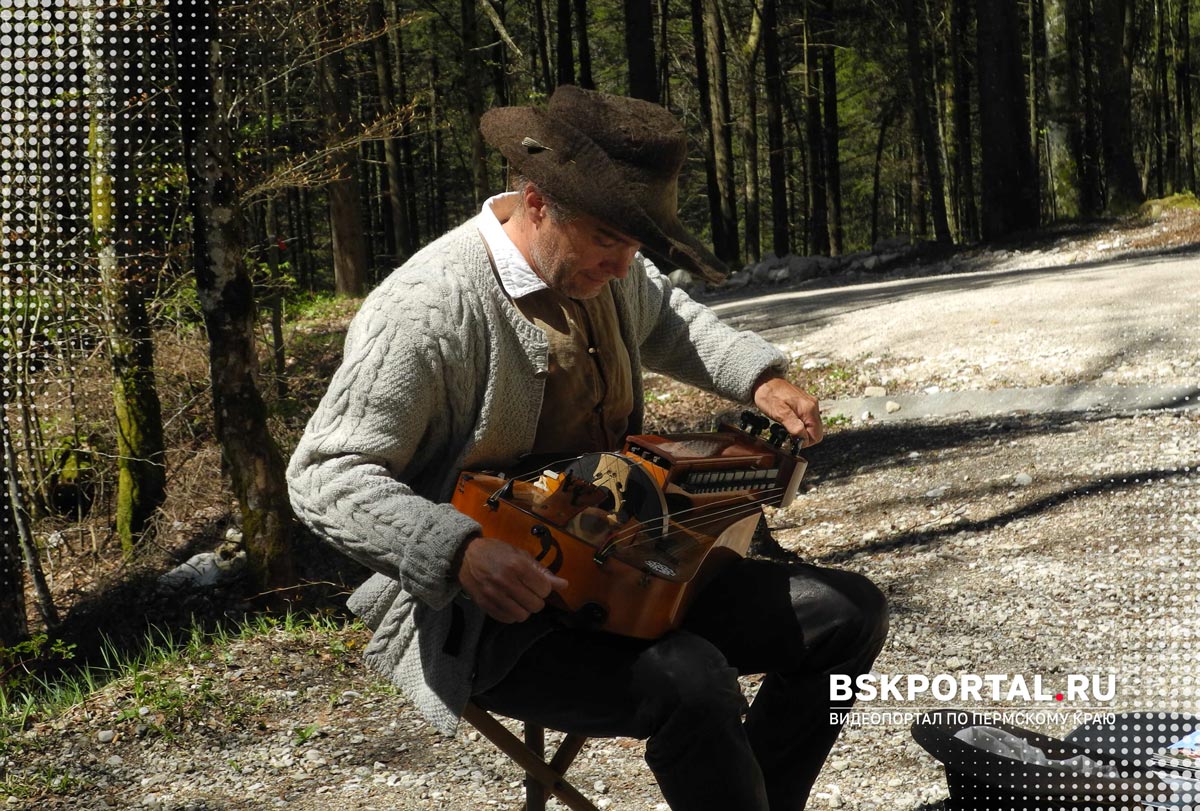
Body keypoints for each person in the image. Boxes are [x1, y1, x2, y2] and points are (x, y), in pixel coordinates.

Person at [287, 85, 888, 811]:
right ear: (538, 202)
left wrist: (757, 378)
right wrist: (458, 551)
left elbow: (670, 318)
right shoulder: (427, 309)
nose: (625, 263)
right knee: (691, 680)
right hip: (493, 617)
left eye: (637, 245)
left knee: (848, 616)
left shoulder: (609, 266)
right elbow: (326, 473)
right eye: (610, 240)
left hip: (635, 568)